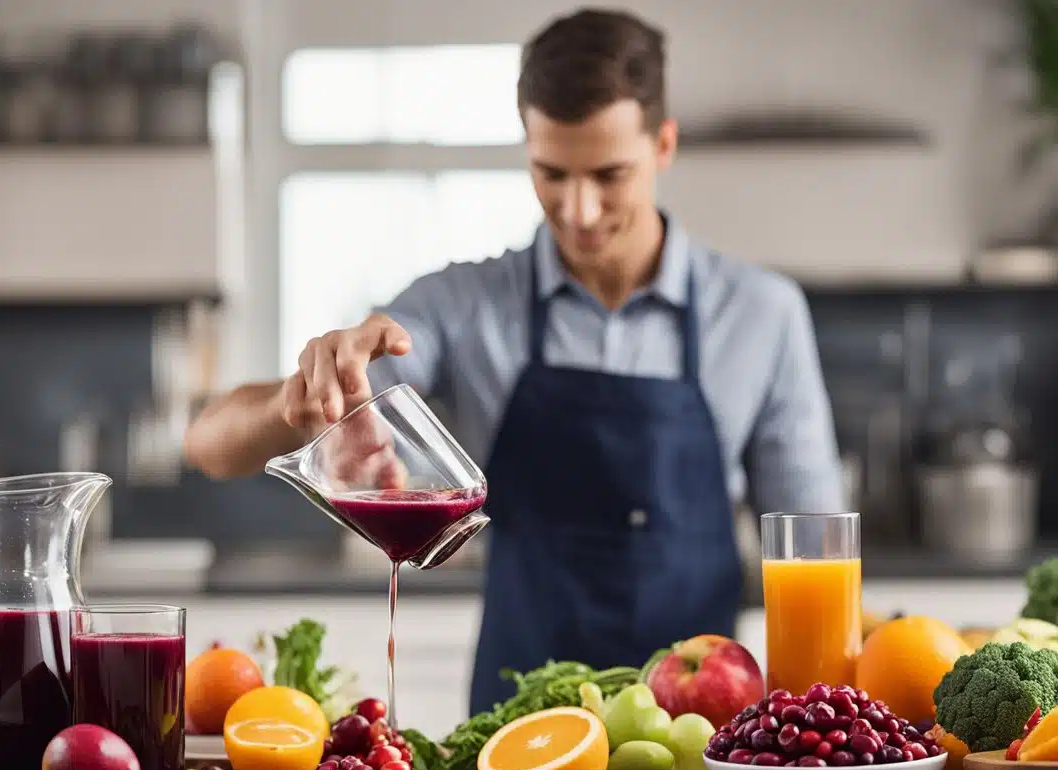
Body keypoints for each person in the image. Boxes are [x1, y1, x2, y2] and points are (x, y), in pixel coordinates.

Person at [184, 7, 845, 715]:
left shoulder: (763, 313)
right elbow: (210, 445)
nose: (580, 210)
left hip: (701, 745)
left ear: (664, 145)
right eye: (551, 173)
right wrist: (305, 394)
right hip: (516, 744)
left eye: (608, 174)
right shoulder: (466, 304)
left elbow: (816, 548)